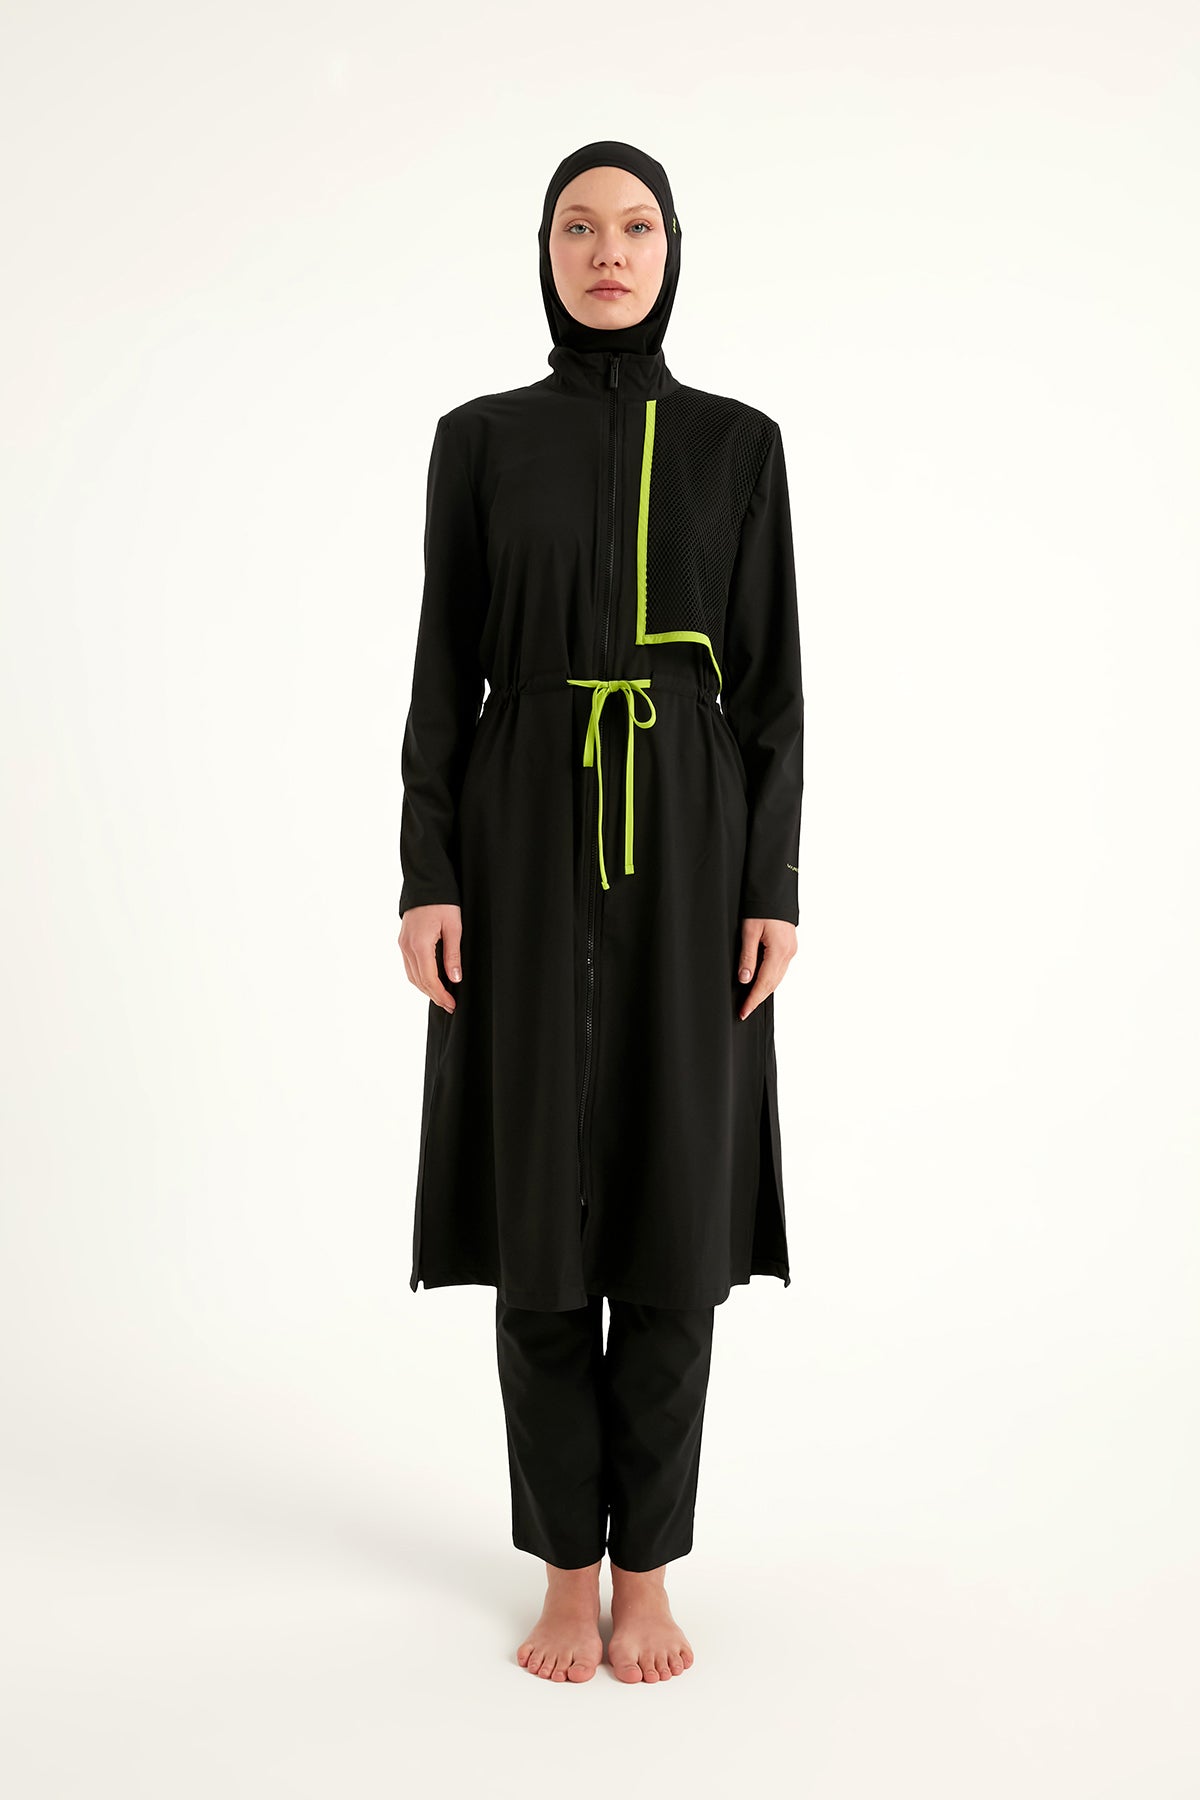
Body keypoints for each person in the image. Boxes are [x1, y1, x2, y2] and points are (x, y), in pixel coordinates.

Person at [396, 140, 804, 1683]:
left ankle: (650, 1575)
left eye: (635, 226)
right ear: (546, 254)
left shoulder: (737, 446)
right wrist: (429, 874)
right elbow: (441, 673)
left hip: (691, 840)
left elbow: (774, 689)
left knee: (674, 1217)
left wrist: (771, 885)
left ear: (673, 249)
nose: (608, 251)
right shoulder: (480, 441)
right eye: (579, 227)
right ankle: (567, 1571)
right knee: (539, 1214)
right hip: (517, 831)